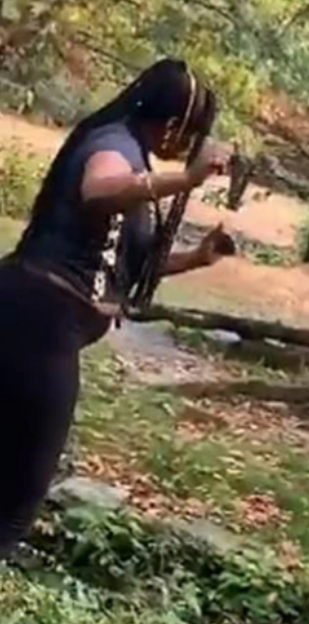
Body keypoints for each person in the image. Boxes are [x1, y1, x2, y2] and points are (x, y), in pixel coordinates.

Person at [0, 58, 232, 557]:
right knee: (22, 485)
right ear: (172, 125)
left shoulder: (134, 154)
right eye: (188, 135)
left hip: (38, 321)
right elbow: (98, 191)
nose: (186, 147)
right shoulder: (115, 145)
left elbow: (126, 264)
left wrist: (197, 258)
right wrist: (187, 180)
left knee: (16, 465)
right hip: (37, 321)